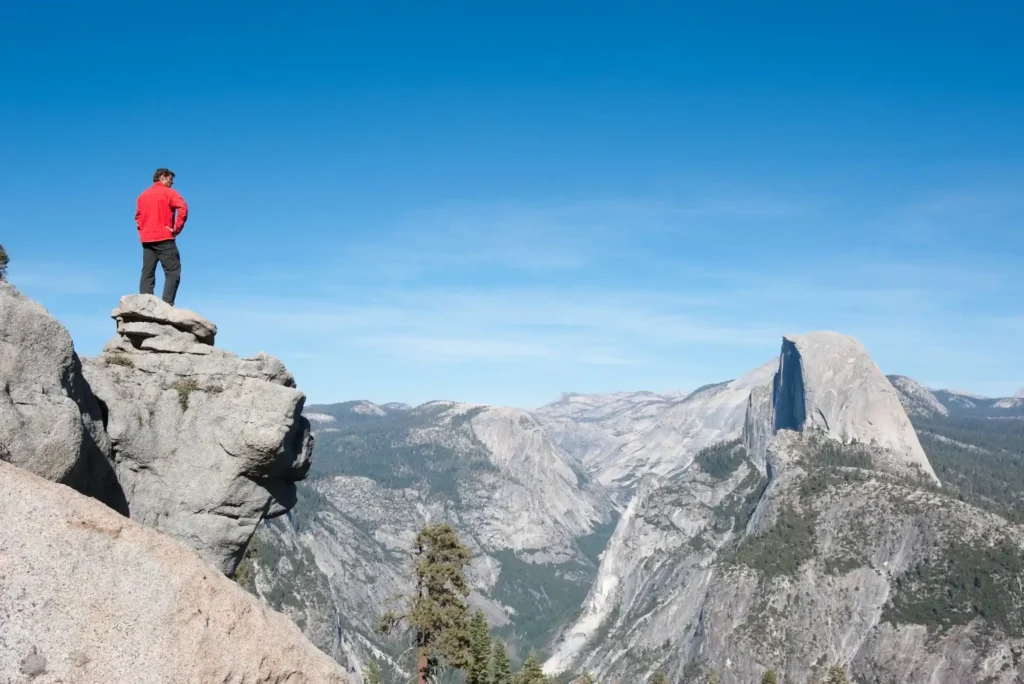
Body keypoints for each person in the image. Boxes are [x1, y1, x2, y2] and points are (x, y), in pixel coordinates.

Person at [135, 168, 188, 305]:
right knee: (173, 271)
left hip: (147, 239)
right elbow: (183, 208)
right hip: (164, 238)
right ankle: (166, 306)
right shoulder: (169, 193)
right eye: (171, 180)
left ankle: (146, 305)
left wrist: (143, 232)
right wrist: (176, 229)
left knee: (147, 272)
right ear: (163, 178)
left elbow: (138, 217)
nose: (172, 183)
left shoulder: (142, 196)